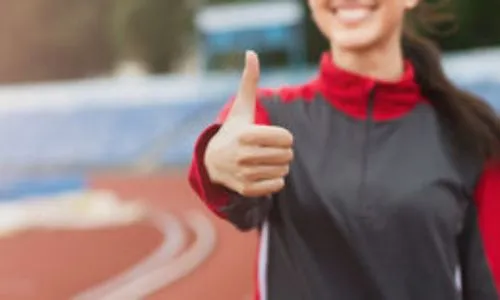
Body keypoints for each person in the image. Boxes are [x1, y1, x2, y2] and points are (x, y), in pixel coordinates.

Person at [188, 0, 500, 299]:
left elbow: (490, 282)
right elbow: (236, 192)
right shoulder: (270, 117)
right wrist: (215, 162)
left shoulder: (470, 132)